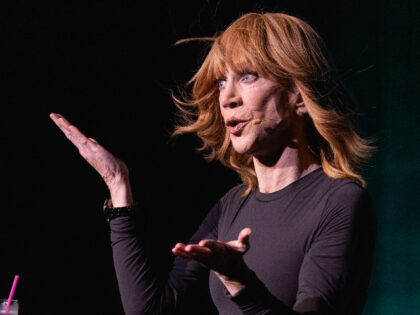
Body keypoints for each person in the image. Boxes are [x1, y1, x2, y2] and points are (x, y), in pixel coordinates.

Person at [50, 12, 376, 315]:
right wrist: (117, 184)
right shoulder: (233, 203)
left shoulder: (340, 201)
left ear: (298, 95)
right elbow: (149, 309)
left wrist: (238, 280)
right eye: (221, 81)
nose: (227, 97)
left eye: (248, 76)